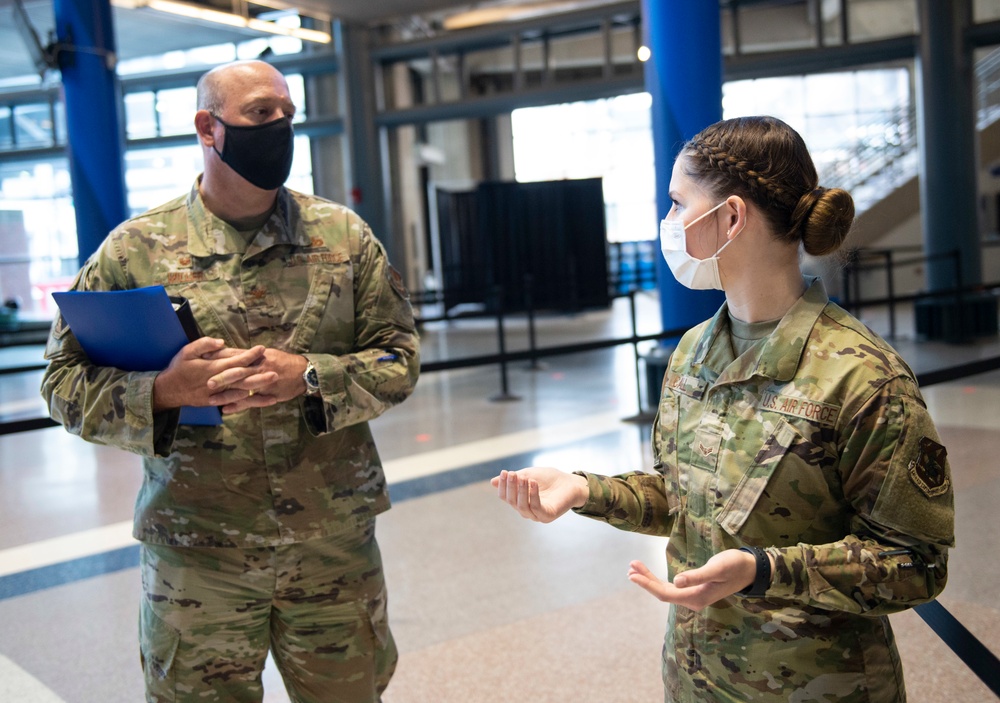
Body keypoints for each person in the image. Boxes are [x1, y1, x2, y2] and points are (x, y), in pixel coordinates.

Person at [492, 115, 953, 702]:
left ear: (732, 217)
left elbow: (915, 563)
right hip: (697, 679)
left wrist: (764, 570)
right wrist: (583, 489)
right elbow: (686, 501)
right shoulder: (694, 353)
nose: (671, 223)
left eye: (680, 204)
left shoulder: (860, 376)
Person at [41, 60, 419, 703]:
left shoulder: (343, 237)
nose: (280, 127)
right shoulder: (137, 250)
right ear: (207, 128)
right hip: (198, 548)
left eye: (287, 114)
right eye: (260, 114)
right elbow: (61, 383)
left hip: (330, 542)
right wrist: (163, 392)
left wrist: (308, 376)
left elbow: (399, 359)